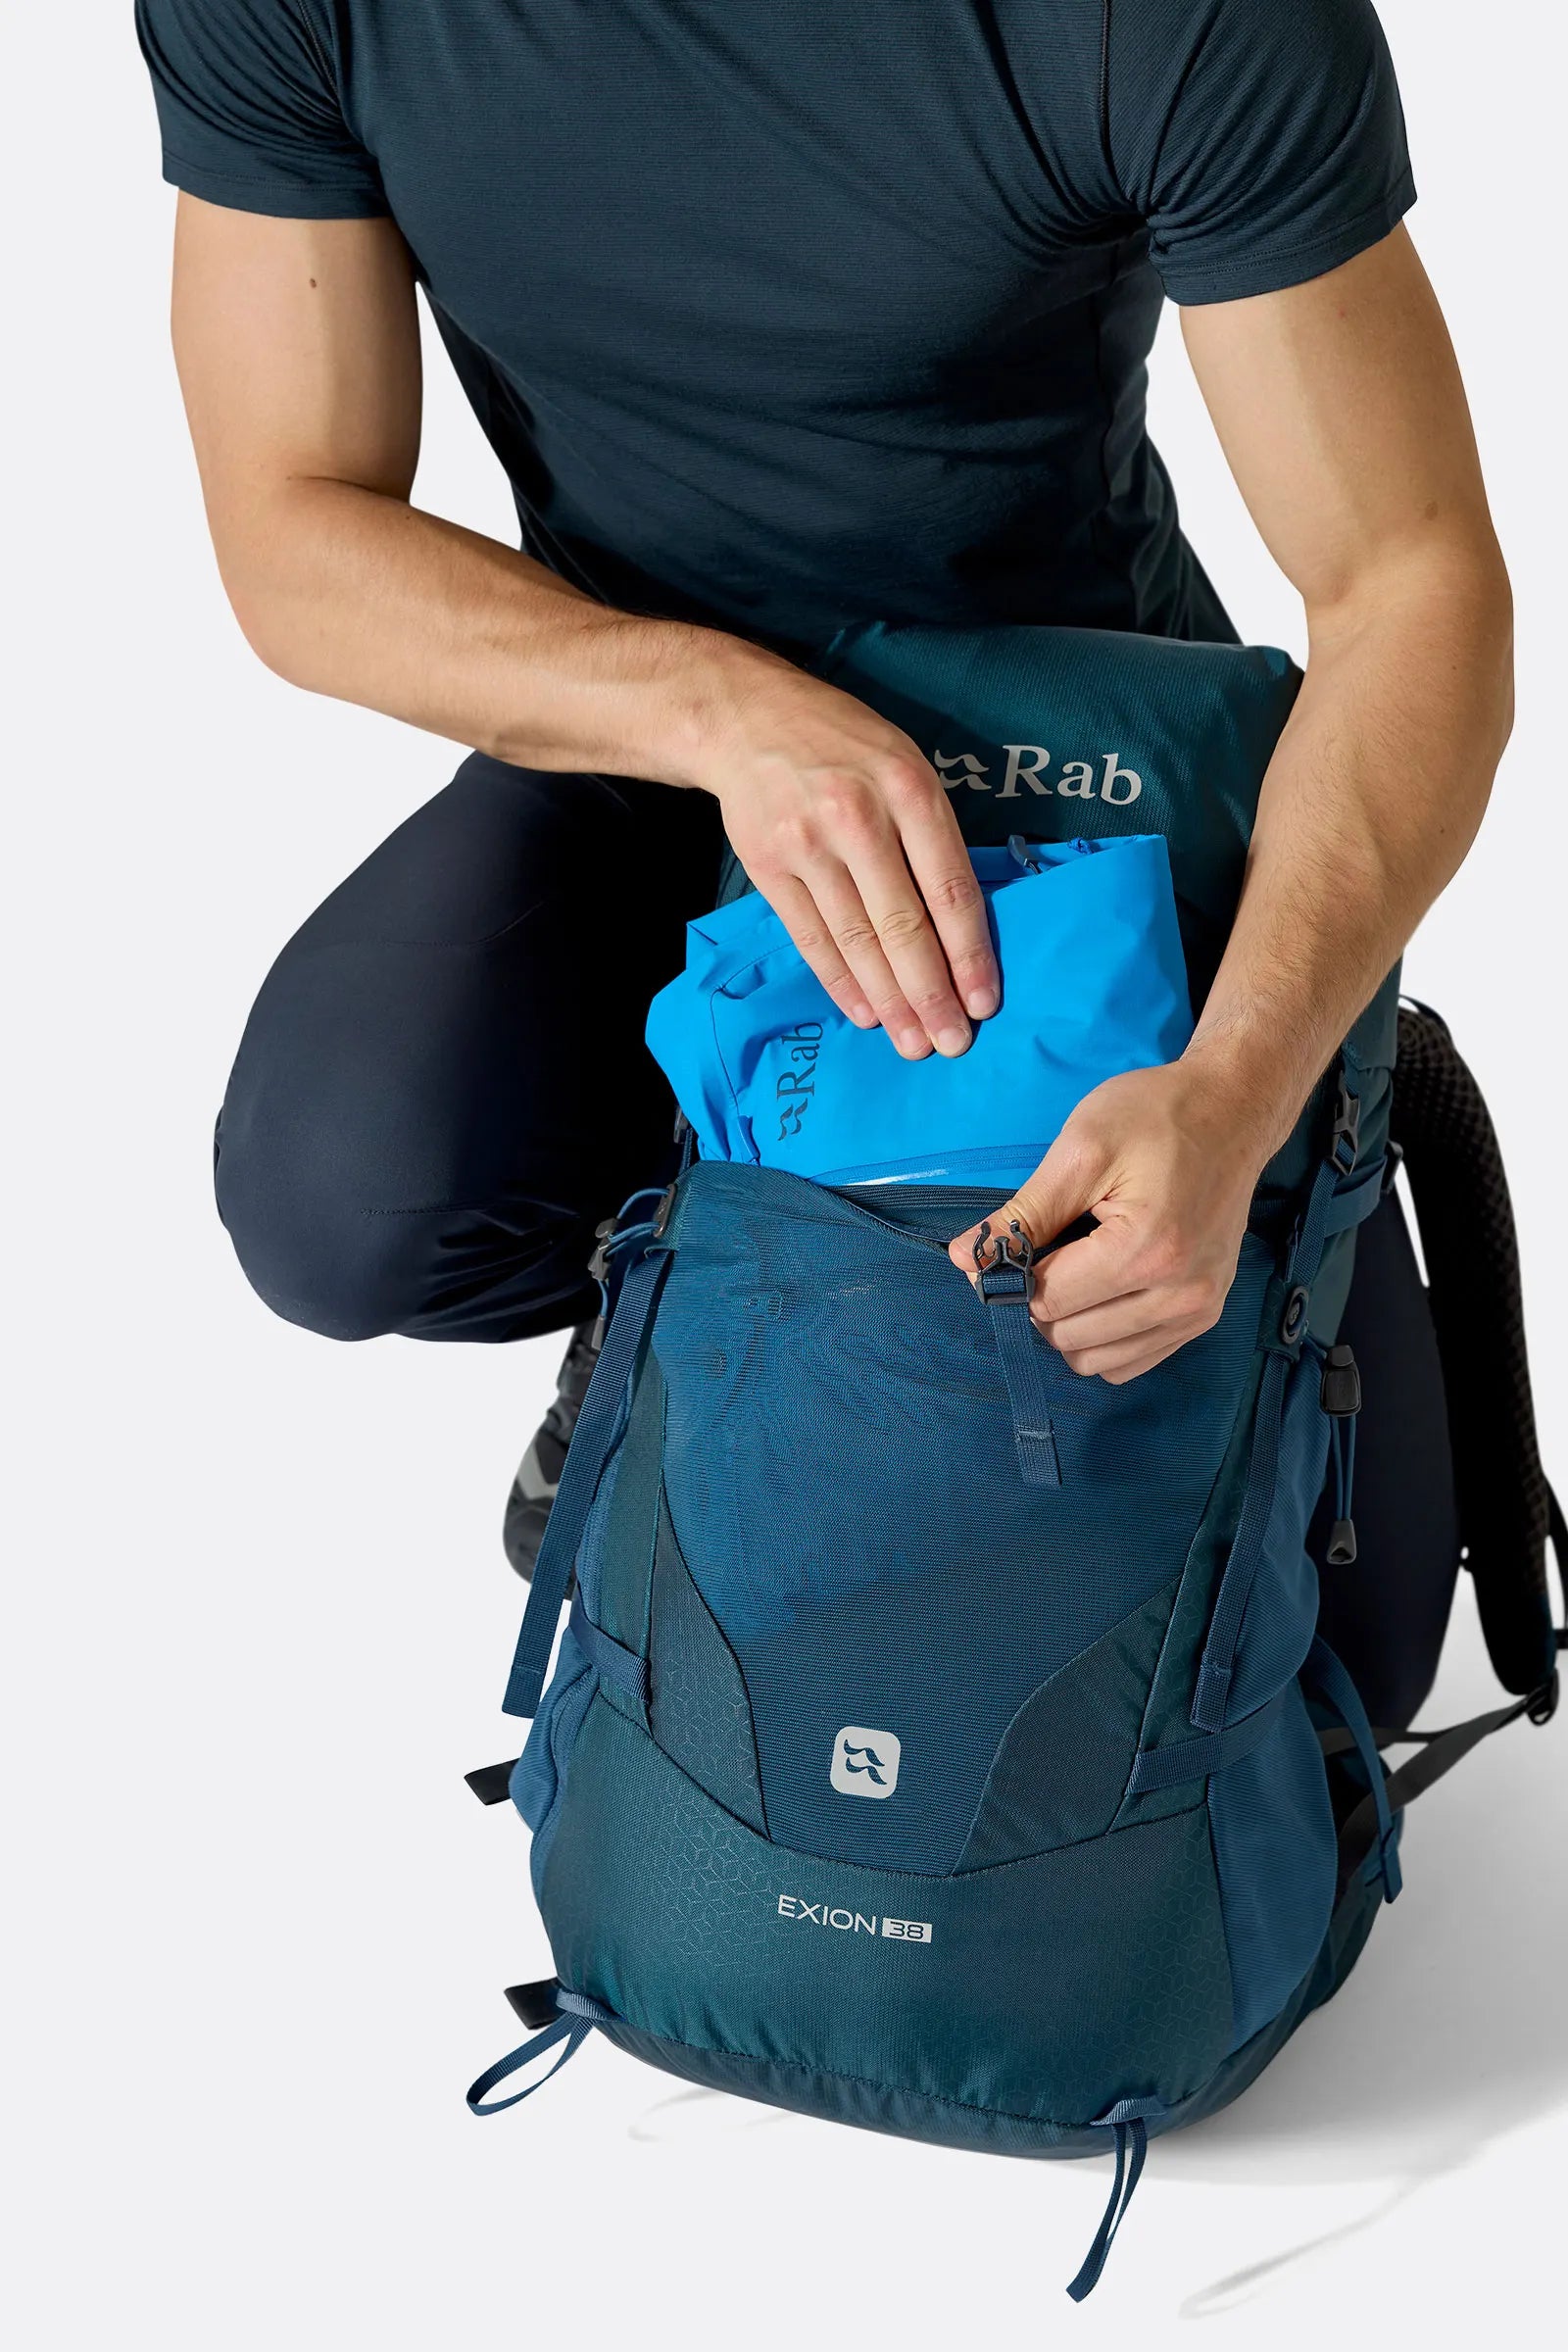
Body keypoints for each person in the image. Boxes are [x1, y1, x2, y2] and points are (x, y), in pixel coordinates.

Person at [136, 1, 1509, 1578]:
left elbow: (1411, 588)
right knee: (348, 1192)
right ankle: (682, 1263)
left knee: (1367, 1611)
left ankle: (1256, 1091)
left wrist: (1246, 1081)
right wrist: (722, 715)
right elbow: (290, 523)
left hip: (1064, 767)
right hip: (650, 732)